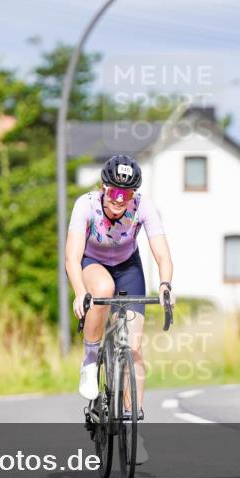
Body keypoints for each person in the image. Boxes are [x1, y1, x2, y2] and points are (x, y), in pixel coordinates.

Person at [66, 155, 174, 462]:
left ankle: (132, 422)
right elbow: (72, 257)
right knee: (103, 291)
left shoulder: (143, 208)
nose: (119, 200)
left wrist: (165, 285)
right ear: (103, 188)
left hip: (128, 267)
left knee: (134, 346)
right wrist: (78, 293)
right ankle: (89, 359)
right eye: (113, 192)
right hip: (93, 263)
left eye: (126, 195)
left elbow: (162, 255)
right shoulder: (85, 205)